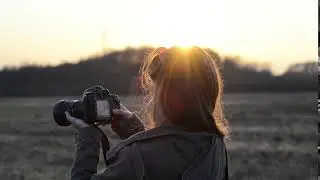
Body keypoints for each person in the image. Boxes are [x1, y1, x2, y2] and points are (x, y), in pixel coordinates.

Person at [66, 46, 230, 180]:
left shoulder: (135, 157)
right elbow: (171, 161)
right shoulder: (215, 145)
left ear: (166, 98)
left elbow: (155, 160)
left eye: (154, 91)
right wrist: (135, 131)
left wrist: (88, 138)